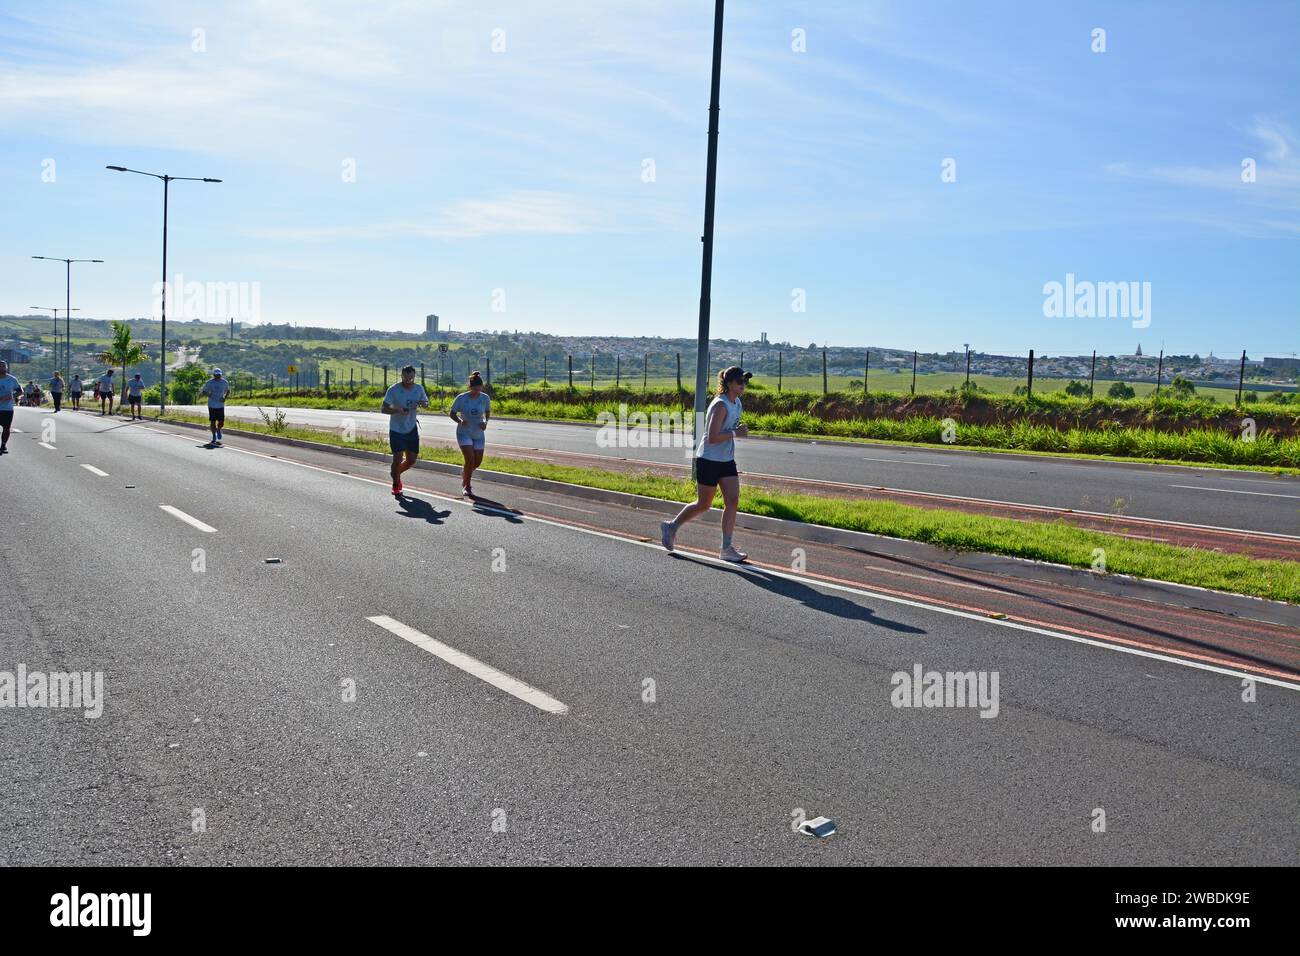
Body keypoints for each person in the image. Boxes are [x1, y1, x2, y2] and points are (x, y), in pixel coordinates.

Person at [660, 366, 751, 562]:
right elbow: (712, 437)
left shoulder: (737, 403)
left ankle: (726, 548)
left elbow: (727, 429)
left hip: (726, 460)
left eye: (745, 381)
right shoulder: (720, 405)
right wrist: (736, 433)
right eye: (739, 382)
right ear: (728, 384)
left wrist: (735, 430)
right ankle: (671, 526)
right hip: (709, 459)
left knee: (733, 501)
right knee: (704, 504)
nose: (743, 385)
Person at [381, 364, 429, 496]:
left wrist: (424, 404)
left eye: (411, 378)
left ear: (414, 377)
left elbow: (426, 403)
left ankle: (395, 473)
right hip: (396, 429)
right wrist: (397, 410)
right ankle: (396, 484)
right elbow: (383, 409)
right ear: (402, 376)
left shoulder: (419, 388)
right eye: (406, 378)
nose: (409, 381)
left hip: (411, 428)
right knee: (397, 459)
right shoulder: (394, 389)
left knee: (412, 460)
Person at [449, 371, 491, 497]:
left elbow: (487, 412)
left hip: (478, 433)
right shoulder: (461, 398)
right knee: (470, 459)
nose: (476, 392)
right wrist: (460, 421)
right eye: (474, 390)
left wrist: (485, 422)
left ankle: (465, 474)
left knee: (477, 462)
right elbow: (452, 413)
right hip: (464, 432)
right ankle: (467, 486)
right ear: (469, 387)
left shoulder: (485, 398)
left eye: (479, 390)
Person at [198, 367, 230, 444]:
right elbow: (204, 391)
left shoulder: (224, 382)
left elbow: (228, 391)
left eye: (219, 375)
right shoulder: (209, 383)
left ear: (221, 375)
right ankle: (214, 436)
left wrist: (224, 397)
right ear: (213, 375)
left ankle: (218, 429)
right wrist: (208, 394)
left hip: (220, 405)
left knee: (221, 422)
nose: (217, 376)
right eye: (216, 375)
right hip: (212, 405)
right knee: (212, 421)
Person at [0, 361, 21, 455]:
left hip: (7, 408)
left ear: (6, 368)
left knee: (6, 428)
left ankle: (3, 445)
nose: (2, 368)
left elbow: (20, 391)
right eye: (0, 366)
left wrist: (12, 396)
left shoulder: (12, 379)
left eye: (4, 366)